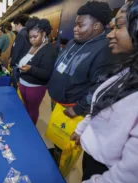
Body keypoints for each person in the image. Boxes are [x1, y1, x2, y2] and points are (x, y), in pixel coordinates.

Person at [71, 1, 138, 183]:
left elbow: (129, 176)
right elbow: (101, 104)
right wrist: (83, 129)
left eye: (119, 26)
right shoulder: (127, 71)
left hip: (108, 172)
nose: (110, 34)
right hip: (94, 158)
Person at [47, 1, 113, 164]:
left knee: (67, 145)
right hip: (57, 102)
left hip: (72, 108)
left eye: (80, 25)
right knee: (57, 137)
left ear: (97, 25)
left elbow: (100, 86)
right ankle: (56, 153)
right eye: (75, 24)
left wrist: (79, 108)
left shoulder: (104, 50)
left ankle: (60, 168)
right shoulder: (73, 41)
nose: (75, 28)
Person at [18, 17, 58, 124]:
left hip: (35, 87)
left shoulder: (49, 50)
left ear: (44, 34)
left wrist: (30, 69)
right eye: (30, 37)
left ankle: (30, 131)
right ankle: (26, 124)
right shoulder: (32, 46)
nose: (32, 40)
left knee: (32, 110)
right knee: (26, 108)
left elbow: (46, 74)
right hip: (23, 84)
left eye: (35, 36)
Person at [10, 14, 31, 89]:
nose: (15, 27)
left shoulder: (21, 34)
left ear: (19, 24)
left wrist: (12, 63)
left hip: (19, 64)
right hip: (27, 64)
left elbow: (16, 51)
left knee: (16, 86)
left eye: (15, 25)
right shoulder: (29, 33)